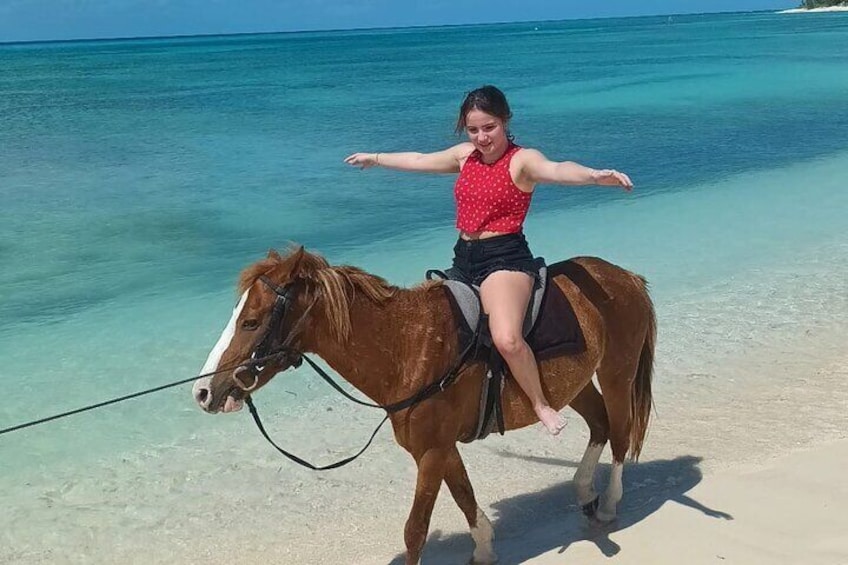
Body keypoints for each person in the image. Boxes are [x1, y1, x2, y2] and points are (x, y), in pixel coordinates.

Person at [344, 85, 632, 435]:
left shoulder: (522, 161)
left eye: (489, 127)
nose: (482, 137)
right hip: (463, 259)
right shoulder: (466, 157)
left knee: (507, 338)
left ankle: (541, 404)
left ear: (505, 121)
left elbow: (557, 169)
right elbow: (420, 160)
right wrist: (376, 158)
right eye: (474, 129)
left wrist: (593, 176)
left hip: (505, 261)